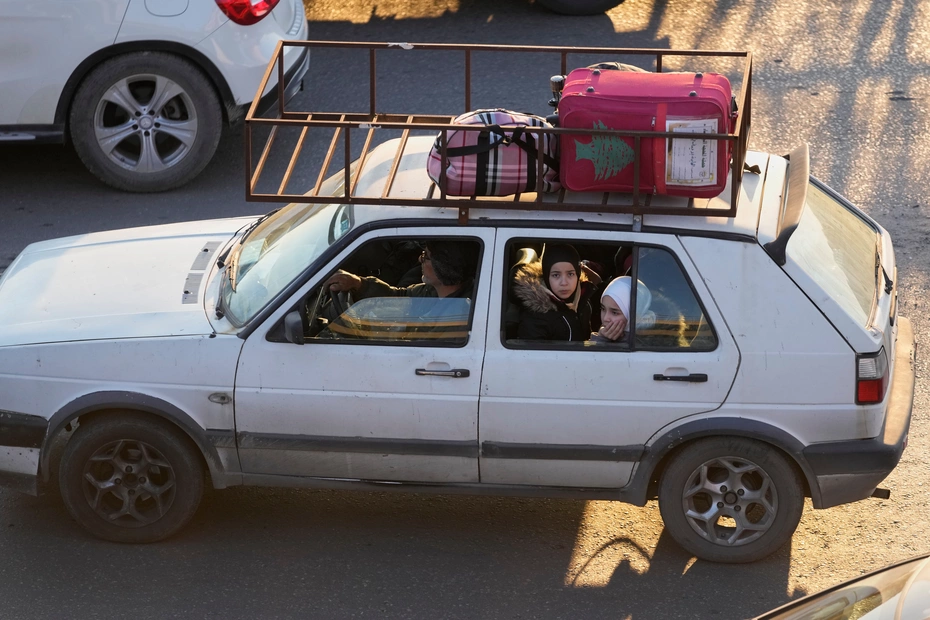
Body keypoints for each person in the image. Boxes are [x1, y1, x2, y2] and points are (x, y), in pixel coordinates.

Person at [325, 240, 475, 300]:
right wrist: (358, 284)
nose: (420, 259)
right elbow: (400, 298)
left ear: (444, 267)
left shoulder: (459, 314)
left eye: (426, 257)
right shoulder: (431, 292)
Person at [513, 244, 601, 341]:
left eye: (570, 274)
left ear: (578, 274)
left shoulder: (583, 300)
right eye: (556, 275)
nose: (564, 283)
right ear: (546, 277)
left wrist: (601, 339)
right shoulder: (535, 318)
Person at [590, 276, 656, 343]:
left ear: (634, 314)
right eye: (603, 309)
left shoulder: (643, 343)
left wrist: (601, 341)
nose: (605, 318)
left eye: (615, 312)